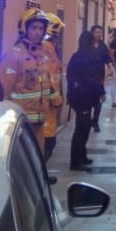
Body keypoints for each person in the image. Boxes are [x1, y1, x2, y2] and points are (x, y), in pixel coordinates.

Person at [0, 8, 60, 154]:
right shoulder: (14, 56)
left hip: (40, 121)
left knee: (38, 160)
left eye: (41, 28)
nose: (38, 32)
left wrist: (56, 101)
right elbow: (3, 91)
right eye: (33, 28)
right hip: (21, 122)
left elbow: (46, 84)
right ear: (25, 29)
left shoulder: (43, 55)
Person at [66, 31, 107, 171]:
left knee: (82, 127)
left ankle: (81, 156)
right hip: (84, 97)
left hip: (80, 97)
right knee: (82, 129)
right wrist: (101, 91)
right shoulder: (86, 57)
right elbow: (92, 77)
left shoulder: (76, 56)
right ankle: (76, 161)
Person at [41, 12, 65, 162]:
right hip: (46, 107)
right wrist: (57, 100)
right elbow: (49, 77)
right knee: (47, 144)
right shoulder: (47, 48)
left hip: (46, 107)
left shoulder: (47, 47)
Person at [88, 25, 113, 133]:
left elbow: (107, 58)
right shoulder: (87, 45)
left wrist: (110, 67)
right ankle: (88, 120)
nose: (98, 34)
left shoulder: (103, 46)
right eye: (96, 32)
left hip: (99, 77)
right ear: (92, 33)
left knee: (99, 100)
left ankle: (95, 121)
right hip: (87, 77)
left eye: (100, 32)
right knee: (88, 100)